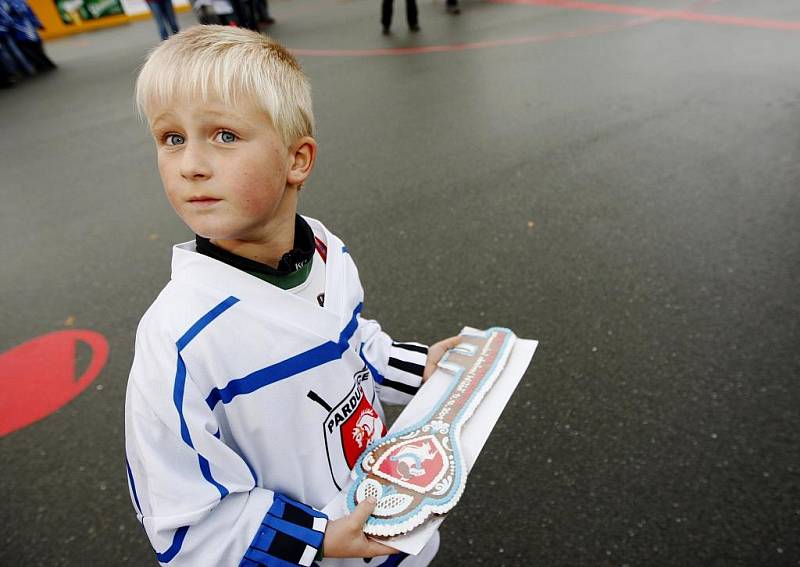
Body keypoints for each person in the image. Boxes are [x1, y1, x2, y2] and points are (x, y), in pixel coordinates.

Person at [126, 25, 460, 566]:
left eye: (224, 136)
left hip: (396, 539)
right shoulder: (178, 340)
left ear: (297, 160)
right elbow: (182, 519)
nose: (190, 164)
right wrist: (320, 539)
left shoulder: (327, 250)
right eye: (172, 138)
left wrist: (423, 367)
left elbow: (351, 347)